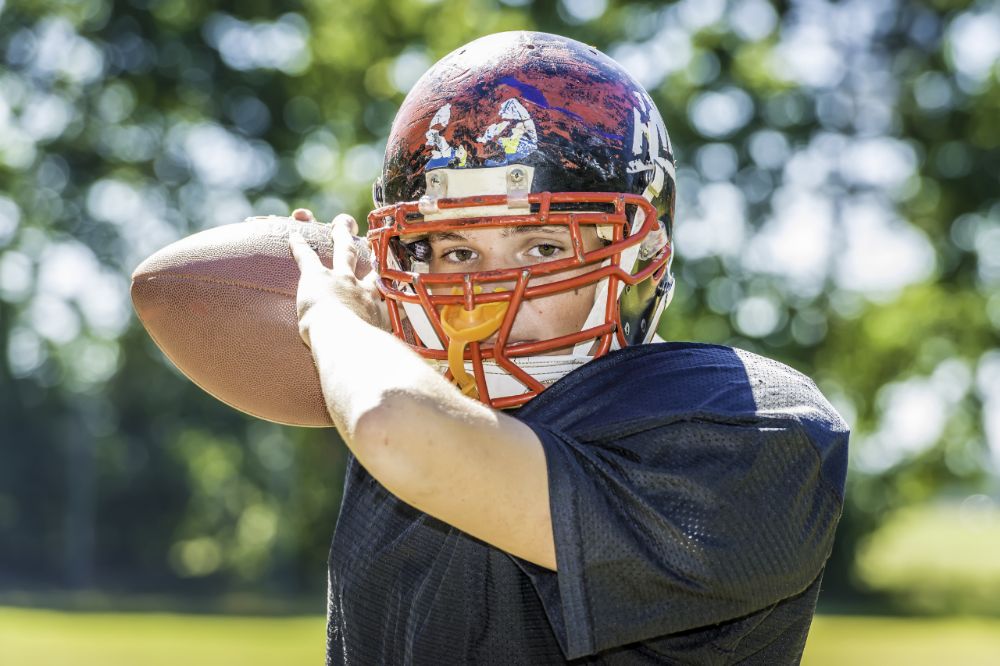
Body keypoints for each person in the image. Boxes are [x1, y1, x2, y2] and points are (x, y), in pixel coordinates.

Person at [287, 31, 848, 665]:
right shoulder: (406, 389)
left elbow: (395, 426)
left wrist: (331, 318)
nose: (490, 298)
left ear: (641, 257)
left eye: (544, 248)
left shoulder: (746, 430)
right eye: (458, 253)